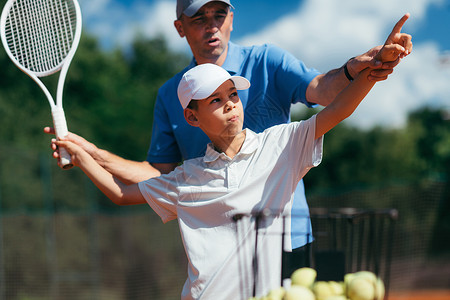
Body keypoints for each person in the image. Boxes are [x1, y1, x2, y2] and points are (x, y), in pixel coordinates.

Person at [46, 0, 412, 254]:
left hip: (288, 240)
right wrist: (90, 154)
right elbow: (152, 178)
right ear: (180, 28)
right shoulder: (182, 141)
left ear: (232, 18)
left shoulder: (271, 78)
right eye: (199, 18)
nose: (211, 26)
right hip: (223, 248)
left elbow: (329, 95)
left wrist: (362, 70)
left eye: (219, 15)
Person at [55, 40, 408, 299]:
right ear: (192, 117)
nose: (230, 106)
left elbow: (338, 109)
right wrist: (85, 156)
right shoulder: (187, 176)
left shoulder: (280, 146)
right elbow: (120, 194)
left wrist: (375, 69)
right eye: (216, 100)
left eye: (233, 95)